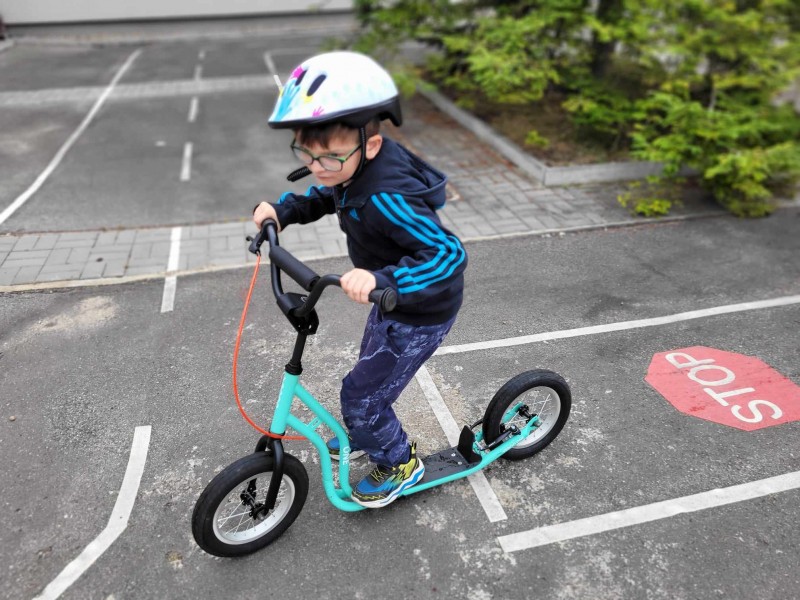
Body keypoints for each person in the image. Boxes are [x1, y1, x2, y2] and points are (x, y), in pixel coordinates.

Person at [253, 51, 467, 508]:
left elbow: (449, 254)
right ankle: (366, 429)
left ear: (370, 145)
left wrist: (382, 278)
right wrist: (283, 211)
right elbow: (329, 192)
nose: (318, 167)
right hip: (389, 299)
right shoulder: (351, 168)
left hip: (420, 309)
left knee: (362, 396)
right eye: (308, 155)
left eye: (329, 157)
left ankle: (400, 463)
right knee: (367, 377)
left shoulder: (387, 197)